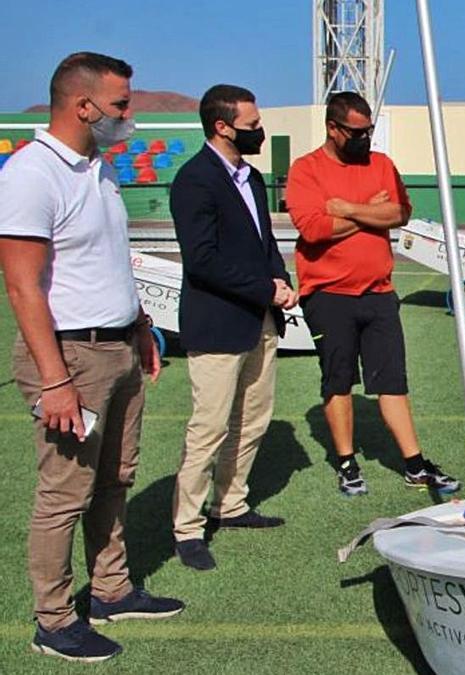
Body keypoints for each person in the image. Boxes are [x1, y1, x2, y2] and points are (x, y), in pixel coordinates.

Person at [0, 52, 184, 663]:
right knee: (64, 494)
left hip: (117, 349)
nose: (130, 115)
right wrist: (55, 381)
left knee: (116, 478)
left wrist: (138, 326)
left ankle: (110, 590)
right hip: (70, 357)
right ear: (84, 107)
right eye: (121, 105)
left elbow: (102, 259)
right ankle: (53, 621)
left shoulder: (97, 168)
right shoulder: (32, 173)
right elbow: (24, 286)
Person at [286, 92, 459, 497]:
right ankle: (346, 462)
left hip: (379, 293)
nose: (366, 139)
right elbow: (313, 229)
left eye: (370, 131)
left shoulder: (381, 165)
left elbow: (399, 213)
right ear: (333, 128)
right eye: (357, 132)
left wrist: (346, 207)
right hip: (328, 296)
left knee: (393, 381)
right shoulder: (305, 170)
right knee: (339, 380)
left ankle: (415, 463)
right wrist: (369, 213)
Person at [169, 84, 298, 571]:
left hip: (260, 321)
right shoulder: (194, 181)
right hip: (218, 324)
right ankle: (187, 527)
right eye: (251, 125)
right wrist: (265, 289)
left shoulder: (254, 178)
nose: (259, 131)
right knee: (210, 427)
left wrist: (280, 282)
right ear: (222, 127)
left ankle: (232, 503)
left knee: (253, 419)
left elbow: (265, 243)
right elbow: (202, 262)